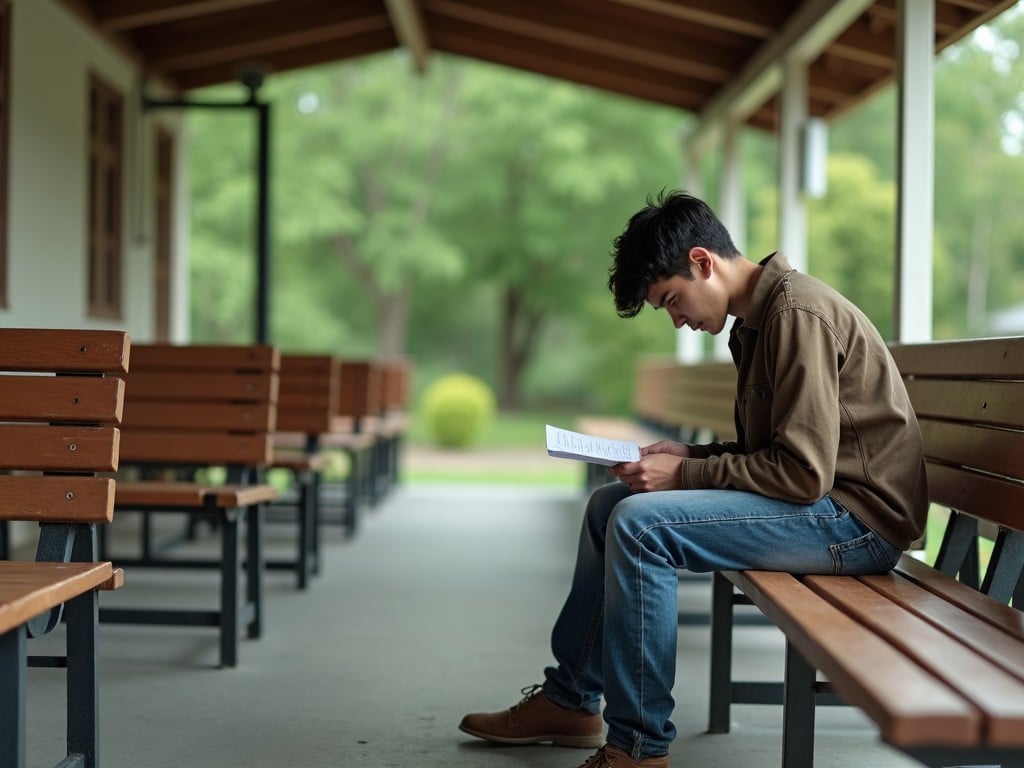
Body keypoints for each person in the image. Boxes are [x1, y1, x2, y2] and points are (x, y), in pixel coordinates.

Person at [458, 190, 928, 768]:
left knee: (638, 526)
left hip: (855, 524)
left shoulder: (796, 315)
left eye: (672, 299)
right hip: (823, 506)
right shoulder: (755, 324)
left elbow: (802, 474)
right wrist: (689, 454)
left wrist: (685, 472)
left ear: (703, 262)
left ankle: (637, 748)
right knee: (610, 506)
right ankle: (571, 700)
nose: (677, 318)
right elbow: (772, 455)